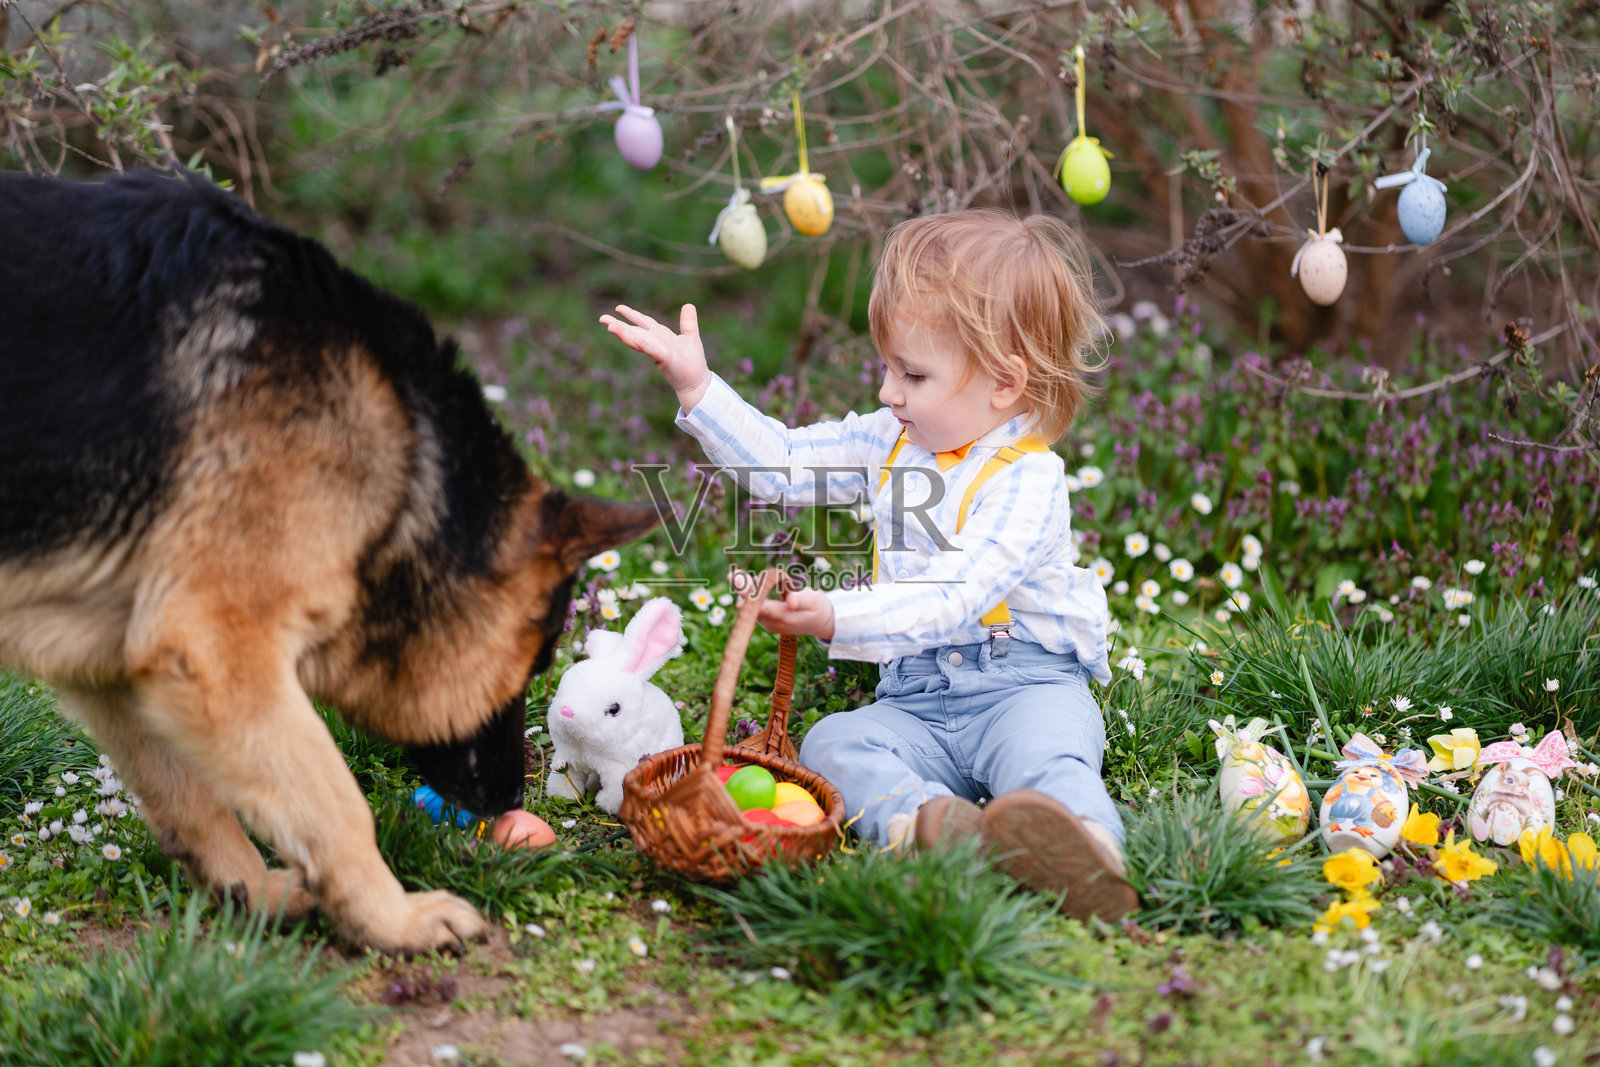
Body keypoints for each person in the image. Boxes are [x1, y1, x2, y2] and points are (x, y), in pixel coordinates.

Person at [599, 209, 1135, 921]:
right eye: (888, 367)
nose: (888, 391)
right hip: (916, 700)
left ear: (1005, 384)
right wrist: (700, 390)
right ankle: (936, 831)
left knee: (1049, 757)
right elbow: (785, 464)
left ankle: (1089, 854)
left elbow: (953, 592)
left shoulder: (1027, 480)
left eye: (912, 373)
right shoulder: (890, 440)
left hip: (1022, 685)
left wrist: (833, 613)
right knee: (836, 741)